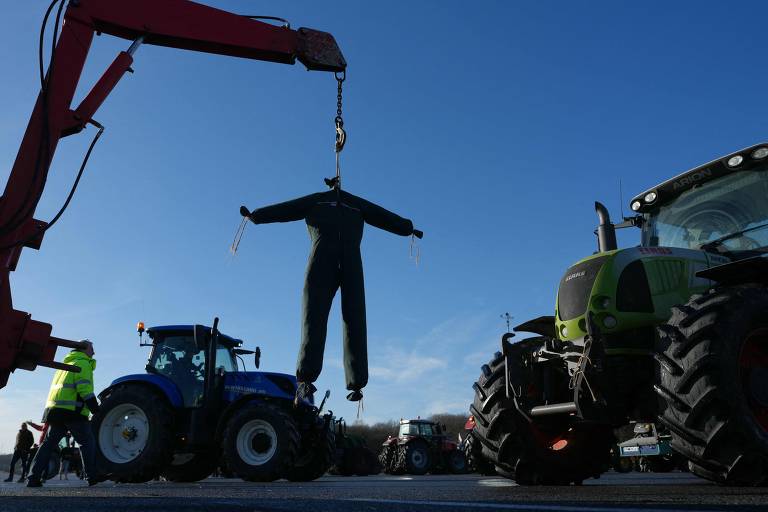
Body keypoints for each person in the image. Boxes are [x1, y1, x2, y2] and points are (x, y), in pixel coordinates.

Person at [240, 177, 423, 404]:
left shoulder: (356, 205)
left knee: (355, 318)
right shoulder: (316, 202)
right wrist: (256, 216)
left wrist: (407, 228)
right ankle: (306, 378)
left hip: (351, 265)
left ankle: (356, 382)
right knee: (313, 317)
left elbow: (381, 215)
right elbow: (287, 209)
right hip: (320, 264)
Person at [26, 340, 101, 487]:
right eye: (92, 348)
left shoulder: (64, 366)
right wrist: (96, 410)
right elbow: (84, 389)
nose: (94, 352)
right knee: (87, 442)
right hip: (73, 411)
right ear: (84, 349)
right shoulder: (83, 363)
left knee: (48, 445)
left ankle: (33, 477)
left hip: (55, 412)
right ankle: (92, 476)